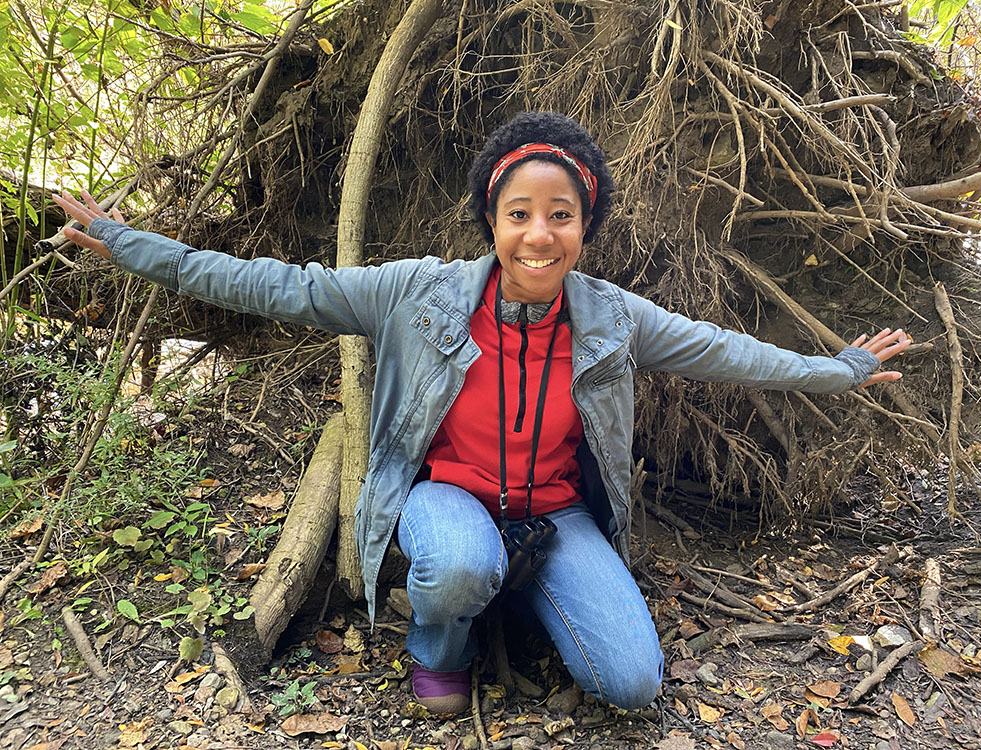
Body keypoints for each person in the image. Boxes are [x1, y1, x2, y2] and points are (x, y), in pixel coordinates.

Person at [54, 112, 910, 715]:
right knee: (460, 563)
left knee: (632, 685)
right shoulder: (418, 293)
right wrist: (136, 244)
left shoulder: (613, 315)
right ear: (493, 222)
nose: (540, 235)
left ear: (585, 227)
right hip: (443, 498)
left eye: (561, 216)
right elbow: (281, 285)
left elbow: (728, 350)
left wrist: (840, 368)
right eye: (520, 215)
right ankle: (442, 649)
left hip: (554, 512)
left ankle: (521, 593)